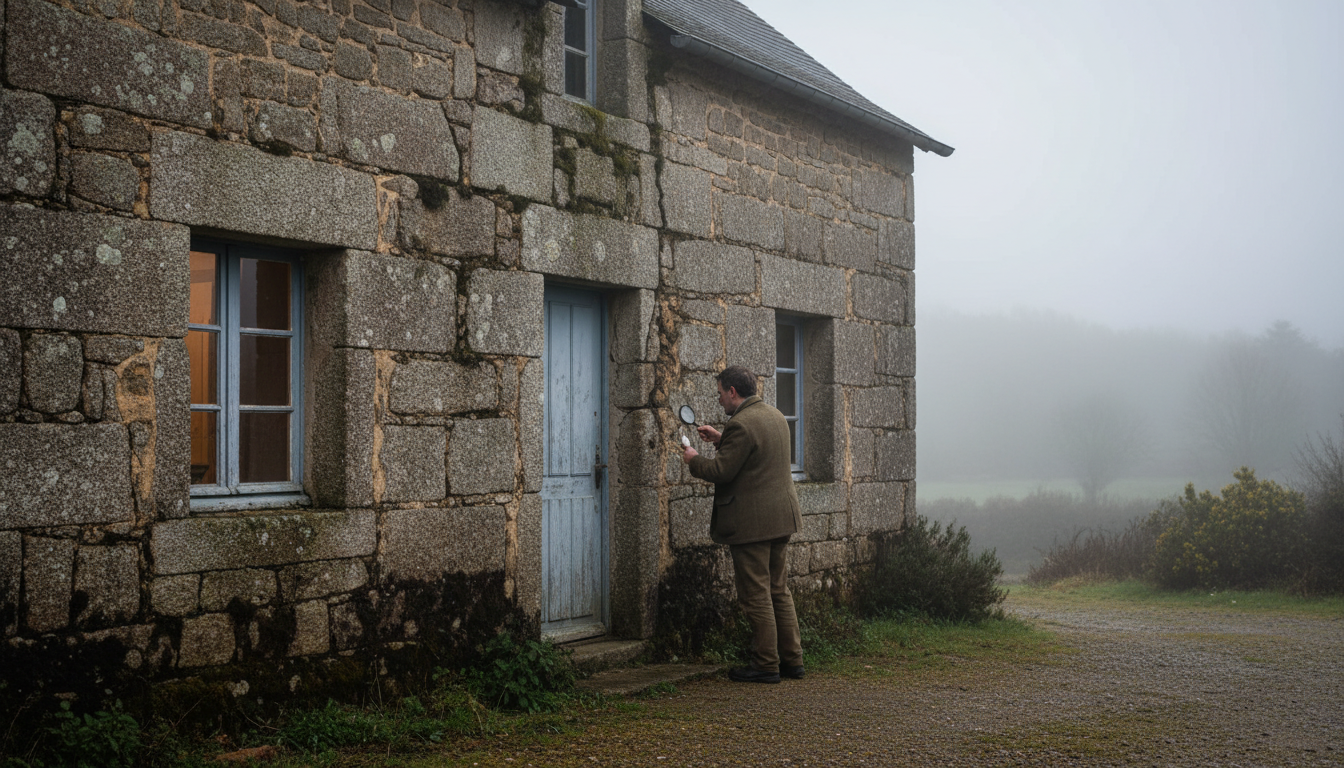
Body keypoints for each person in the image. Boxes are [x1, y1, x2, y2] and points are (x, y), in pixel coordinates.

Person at [682, 365, 805, 684]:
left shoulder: (741, 423)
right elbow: (757, 453)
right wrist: (723, 438)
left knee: (756, 594)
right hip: (782, 518)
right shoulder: (774, 415)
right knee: (779, 589)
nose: (720, 398)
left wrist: (693, 458)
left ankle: (766, 664)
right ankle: (792, 660)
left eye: (721, 392)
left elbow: (721, 472)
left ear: (733, 392)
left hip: (753, 524)